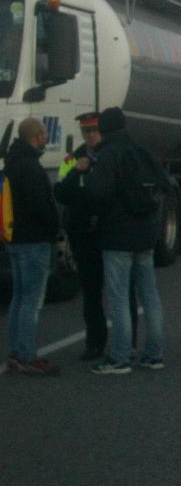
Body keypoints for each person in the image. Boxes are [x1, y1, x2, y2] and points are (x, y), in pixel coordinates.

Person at [85, 107, 169, 375]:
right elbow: (164, 184)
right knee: (150, 295)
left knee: (119, 297)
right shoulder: (140, 151)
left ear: (105, 128)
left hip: (117, 235)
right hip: (145, 233)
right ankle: (154, 354)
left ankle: (120, 357)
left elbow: (97, 192)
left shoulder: (109, 154)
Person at [54, 112, 136, 362]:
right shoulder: (74, 157)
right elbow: (61, 192)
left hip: (109, 232)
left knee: (122, 290)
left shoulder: (112, 155)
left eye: (93, 130)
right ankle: (95, 343)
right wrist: (76, 173)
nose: (89, 136)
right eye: (85, 131)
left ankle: (128, 343)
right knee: (91, 293)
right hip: (83, 235)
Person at [4, 118, 61, 376]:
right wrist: (55, 228)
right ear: (36, 136)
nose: (46, 137)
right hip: (34, 240)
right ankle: (26, 354)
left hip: (14, 238)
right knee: (31, 300)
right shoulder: (30, 167)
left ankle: (16, 351)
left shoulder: (13, 162)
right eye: (44, 134)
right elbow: (40, 205)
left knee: (18, 297)